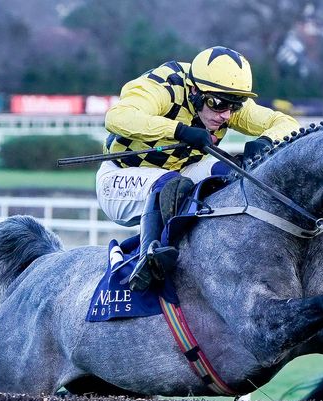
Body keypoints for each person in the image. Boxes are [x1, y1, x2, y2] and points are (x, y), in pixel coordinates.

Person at [97, 46, 301, 290]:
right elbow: (117, 117)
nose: (226, 115)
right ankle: (148, 261)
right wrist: (179, 131)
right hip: (121, 176)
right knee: (170, 184)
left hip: (182, 170)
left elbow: (286, 122)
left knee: (232, 175)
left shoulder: (224, 97)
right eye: (217, 104)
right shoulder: (163, 86)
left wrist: (266, 141)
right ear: (195, 90)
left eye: (234, 106)